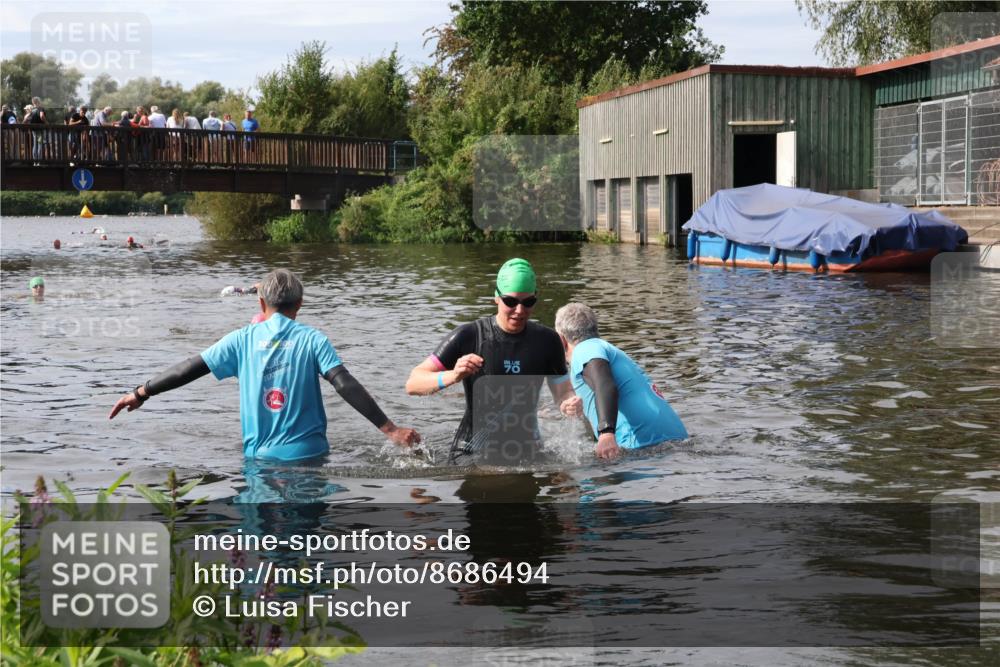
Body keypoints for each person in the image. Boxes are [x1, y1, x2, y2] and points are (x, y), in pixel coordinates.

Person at [108, 269, 421, 460]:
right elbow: (344, 383)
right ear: (300, 304)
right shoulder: (312, 339)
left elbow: (189, 368)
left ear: (261, 304)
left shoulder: (241, 340)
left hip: (259, 461)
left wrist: (141, 392)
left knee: (262, 547)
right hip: (309, 457)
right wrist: (390, 429)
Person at [406, 258, 573, 464]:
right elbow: (413, 383)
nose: (519, 310)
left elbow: (563, 391)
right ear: (496, 297)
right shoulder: (469, 336)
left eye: (528, 302)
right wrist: (453, 375)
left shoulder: (548, 341)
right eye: (510, 302)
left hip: (528, 449)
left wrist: (568, 402)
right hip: (472, 451)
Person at [554, 302, 688, 460]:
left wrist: (606, 433)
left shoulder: (584, 349)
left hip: (644, 446)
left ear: (561, 339)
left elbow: (605, 385)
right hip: (679, 441)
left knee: (586, 481)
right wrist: (569, 406)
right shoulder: (606, 349)